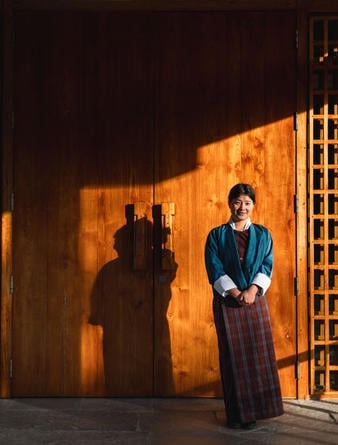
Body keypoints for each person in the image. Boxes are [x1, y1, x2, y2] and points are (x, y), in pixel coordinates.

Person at [204, 183, 283, 430]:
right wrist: (236, 291)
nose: (242, 207)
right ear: (230, 203)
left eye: (247, 203)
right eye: (238, 202)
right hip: (228, 301)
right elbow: (214, 267)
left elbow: (266, 266)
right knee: (232, 357)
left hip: (255, 300)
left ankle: (257, 411)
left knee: (257, 356)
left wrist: (252, 290)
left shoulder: (263, 234)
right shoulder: (216, 235)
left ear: (253, 206)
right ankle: (237, 414)